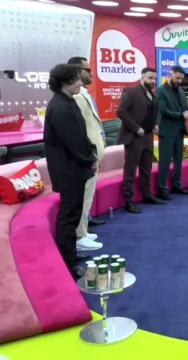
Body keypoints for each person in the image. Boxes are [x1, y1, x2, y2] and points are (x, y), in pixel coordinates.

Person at [44, 63, 98, 279]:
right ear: (65, 82)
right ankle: (68, 262)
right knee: (69, 216)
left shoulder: (69, 102)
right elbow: (73, 142)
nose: (80, 83)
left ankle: (71, 253)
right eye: (76, 79)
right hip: (68, 171)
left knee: (73, 214)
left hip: (75, 168)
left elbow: (82, 135)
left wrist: (91, 153)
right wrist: (90, 159)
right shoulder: (59, 107)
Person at [65, 57, 103, 251]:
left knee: (87, 196)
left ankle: (83, 231)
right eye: (87, 70)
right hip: (87, 158)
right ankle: (79, 236)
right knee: (83, 197)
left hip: (92, 156)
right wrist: (90, 155)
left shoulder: (84, 93)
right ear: (77, 71)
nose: (91, 73)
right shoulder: (77, 97)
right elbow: (80, 130)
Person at [117, 67, 163, 213]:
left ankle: (147, 195)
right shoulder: (131, 92)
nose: (153, 81)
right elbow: (121, 111)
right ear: (142, 78)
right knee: (130, 170)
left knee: (147, 168)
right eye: (150, 78)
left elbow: (156, 112)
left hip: (149, 136)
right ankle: (128, 201)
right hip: (134, 137)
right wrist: (136, 128)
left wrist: (156, 124)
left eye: (155, 78)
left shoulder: (152, 94)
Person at [155, 66, 188, 200]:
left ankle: (177, 185)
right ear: (170, 75)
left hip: (180, 130)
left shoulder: (181, 91)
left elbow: (185, 107)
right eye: (177, 78)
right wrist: (182, 115)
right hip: (166, 131)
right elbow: (163, 111)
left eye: (181, 79)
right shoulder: (160, 91)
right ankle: (162, 189)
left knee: (178, 161)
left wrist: (187, 112)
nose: (179, 81)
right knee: (164, 162)